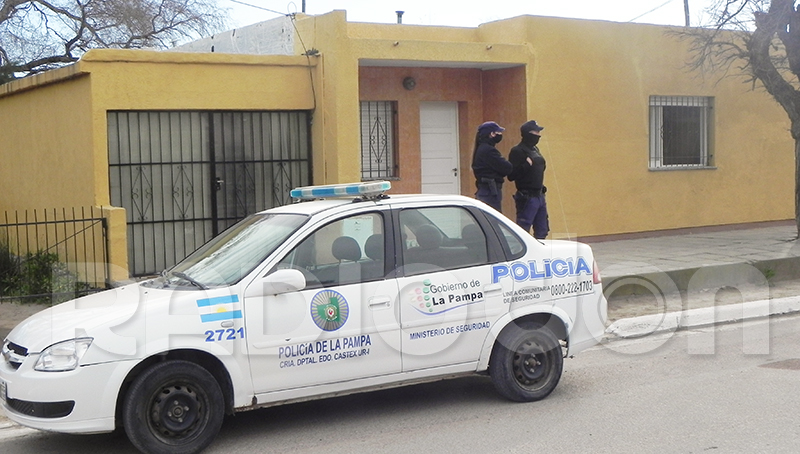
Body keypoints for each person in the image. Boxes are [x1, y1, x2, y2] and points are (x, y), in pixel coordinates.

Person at [508, 120, 549, 239]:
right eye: (535, 132)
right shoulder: (517, 151)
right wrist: (525, 165)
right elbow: (511, 175)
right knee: (523, 229)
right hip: (527, 197)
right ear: (527, 133)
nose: (538, 135)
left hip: (539, 195)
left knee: (543, 229)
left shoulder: (535, 150)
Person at [471, 121, 512, 212]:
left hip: (486, 190)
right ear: (492, 134)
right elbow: (507, 168)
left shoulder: (482, 148)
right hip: (490, 191)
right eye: (498, 132)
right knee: (493, 220)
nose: (500, 134)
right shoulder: (489, 151)